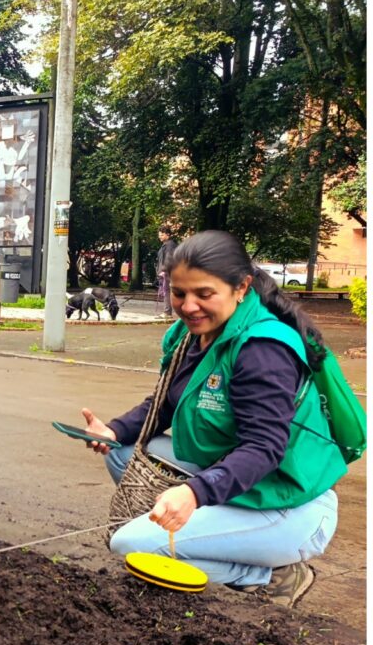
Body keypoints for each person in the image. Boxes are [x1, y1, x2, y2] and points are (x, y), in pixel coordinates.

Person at [81, 230, 348, 603]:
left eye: (204, 294)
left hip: (288, 503)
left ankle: (270, 575)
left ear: (241, 288)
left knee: (129, 546)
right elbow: (165, 403)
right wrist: (113, 430)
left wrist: (195, 492)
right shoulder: (193, 334)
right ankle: (193, 534)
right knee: (122, 453)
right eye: (179, 294)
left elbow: (264, 448)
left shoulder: (262, 350)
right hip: (237, 480)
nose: (189, 306)